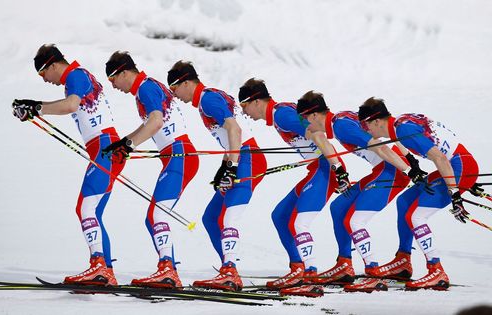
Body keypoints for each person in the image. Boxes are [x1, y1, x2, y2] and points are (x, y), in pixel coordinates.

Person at [293, 91, 428, 293]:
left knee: (355, 220)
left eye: (304, 120)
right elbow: (389, 136)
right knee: (339, 207)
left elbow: (380, 148)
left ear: (314, 116)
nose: (305, 125)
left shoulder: (342, 126)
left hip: (391, 171)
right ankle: (344, 264)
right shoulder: (339, 120)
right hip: (385, 169)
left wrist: (409, 169)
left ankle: (373, 272)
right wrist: (410, 161)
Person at [11, 44, 123, 285]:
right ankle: (106, 270)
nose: (44, 80)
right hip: (106, 148)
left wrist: (37, 107)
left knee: (85, 208)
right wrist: (34, 108)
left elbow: (71, 105)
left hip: (105, 147)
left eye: (43, 73)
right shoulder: (77, 77)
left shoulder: (75, 75)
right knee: (94, 211)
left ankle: (99, 267)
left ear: (52, 65)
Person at [235, 79, 351, 296]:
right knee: (280, 216)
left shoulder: (282, 115)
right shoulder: (281, 114)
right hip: (318, 169)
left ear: (257, 101)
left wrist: (338, 169)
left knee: (299, 223)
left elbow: (318, 135)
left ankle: (310, 276)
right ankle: (298, 268)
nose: (245, 112)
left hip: (325, 169)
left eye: (245, 106)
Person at [359, 97, 480, 290]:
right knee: (405, 202)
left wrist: (456, 192)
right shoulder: (400, 125)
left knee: (417, 216)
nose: (365, 130)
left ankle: (436, 271)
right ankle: (403, 261)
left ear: (377, 121)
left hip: (457, 167)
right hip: (456, 167)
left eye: (365, 125)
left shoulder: (404, 129)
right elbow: (443, 147)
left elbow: (440, 157)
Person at [166, 61, 267, 291]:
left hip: (246, 158)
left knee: (228, 217)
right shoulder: (207, 99)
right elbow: (230, 134)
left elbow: (235, 130)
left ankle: (230, 272)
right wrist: (224, 166)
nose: (174, 94)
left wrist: (231, 167)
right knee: (211, 217)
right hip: (242, 156)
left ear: (186, 82)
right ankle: (227, 268)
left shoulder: (208, 99)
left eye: (174, 88)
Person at [103, 52, 199, 289]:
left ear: (125, 72)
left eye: (113, 78)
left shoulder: (145, 88)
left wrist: (128, 144)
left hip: (180, 155)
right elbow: (152, 123)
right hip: (177, 156)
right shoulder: (147, 87)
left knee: (157, 215)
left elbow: (156, 121)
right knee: (154, 217)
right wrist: (125, 142)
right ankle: (168, 270)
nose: (112, 85)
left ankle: (168, 272)